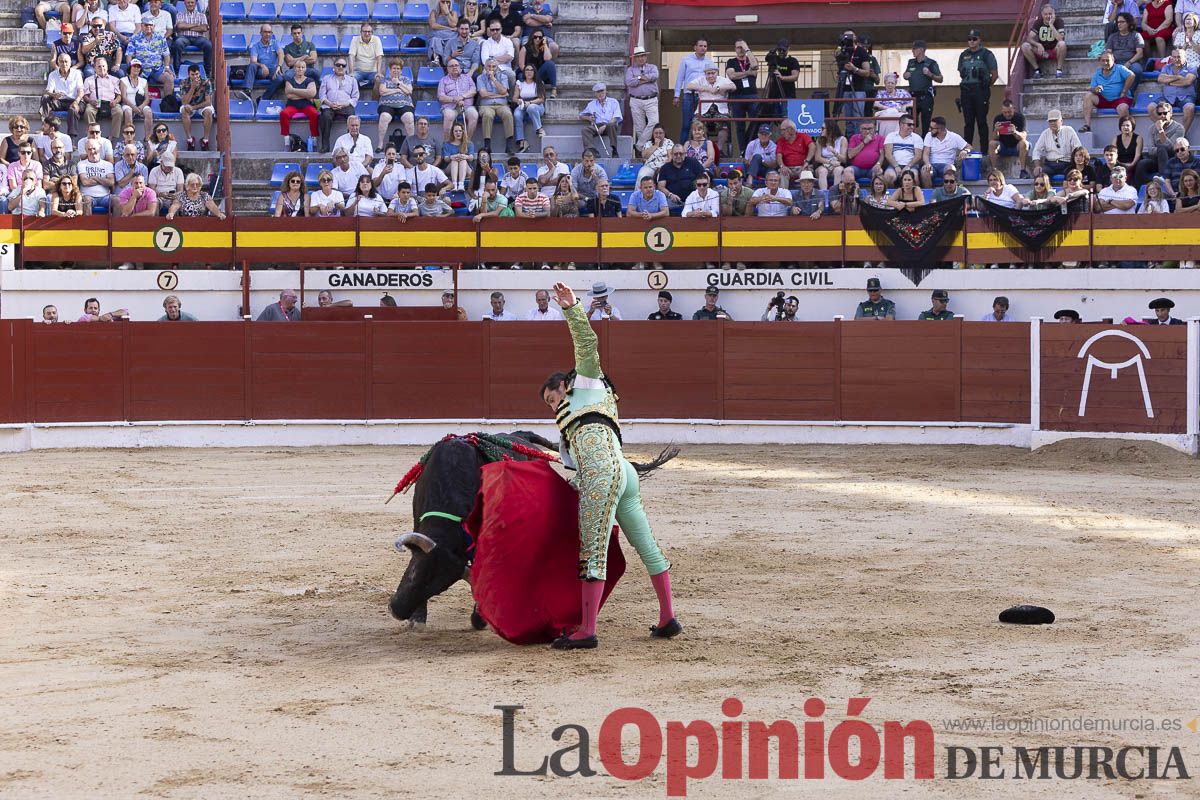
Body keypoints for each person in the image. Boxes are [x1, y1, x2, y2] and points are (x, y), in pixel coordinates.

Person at [540, 280, 680, 650]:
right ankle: (668, 618)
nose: (553, 407)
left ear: (566, 385)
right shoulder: (577, 414)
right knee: (646, 545)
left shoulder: (586, 382)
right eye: (549, 405)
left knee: (592, 549)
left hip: (605, 474)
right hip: (624, 473)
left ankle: (587, 629)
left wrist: (571, 309)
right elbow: (573, 467)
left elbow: (587, 343)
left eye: (553, 398)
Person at [956, 30, 998, 148]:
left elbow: (994, 74)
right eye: (969, 39)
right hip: (966, 90)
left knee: (981, 122)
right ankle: (967, 150)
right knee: (968, 123)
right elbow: (961, 72)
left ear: (979, 40)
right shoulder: (963, 55)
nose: (971, 41)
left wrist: (986, 86)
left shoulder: (986, 54)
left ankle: (984, 151)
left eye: (974, 39)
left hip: (981, 90)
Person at [1081, 50, 1134, 133]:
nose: (1105, 62)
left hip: (1120, 99)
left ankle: (1125, 132)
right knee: (1088, 95)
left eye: (1107, 60)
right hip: (1104, 100)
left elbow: (1131, 75)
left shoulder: (1120, 68)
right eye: (1103, 60)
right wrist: (1095, 90)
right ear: (1100, 62)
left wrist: (1124, 91)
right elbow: (1092, 88)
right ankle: (1087, 125)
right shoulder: (1097, 73)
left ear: (1113, 60)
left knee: (1123, 108)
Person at [124, 17, 174, 100]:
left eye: (151, 25)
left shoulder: (160, 38)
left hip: (157, 69)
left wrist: (167, 67)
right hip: (140, 69)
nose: (148, 27)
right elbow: (129, 54)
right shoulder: (135, 38)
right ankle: (136, 104)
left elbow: (166, 54)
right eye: (146, 25)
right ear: (142, 26)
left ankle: (167, 103)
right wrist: (130, 69)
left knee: (169, 78)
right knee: (132, 80)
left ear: (154, 26)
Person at [319, 59, 360, 153]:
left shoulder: (352, 80)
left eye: (343, 65)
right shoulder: (326, 78)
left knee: (352, 116)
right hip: (329, 105)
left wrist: (343, 104)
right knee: (325, 116)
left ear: (346, 68)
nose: (340, 67)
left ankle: (349, 145)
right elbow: (322, 95)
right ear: (334, 67)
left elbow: (355, 97)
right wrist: (330, 103)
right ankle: (325, 147)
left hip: (345, 105)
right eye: (338, 65)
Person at [673, 38, 709, 141]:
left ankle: (701, 149)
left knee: (701, 124)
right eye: (701, 46)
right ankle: (682, 150)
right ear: (695, 47)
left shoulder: (709, 62)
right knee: (686, 124)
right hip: (688, 95)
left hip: (703, 96)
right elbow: (680, 78)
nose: (703, 48)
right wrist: (676, 96)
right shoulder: (686, 60)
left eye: (705, 46)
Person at [903, 39, 942, 135]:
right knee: (911, 123)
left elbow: (940, 79)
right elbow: (906, 74)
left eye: (914, 49)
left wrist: (930, 74)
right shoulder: (911, 62)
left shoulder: (931, 63)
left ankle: (925, 147)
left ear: (921, 50)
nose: (912, 51)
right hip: (913, 97)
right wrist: (905, 75)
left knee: (926, 123)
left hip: (926, 97)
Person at [724, 40, 758, 151]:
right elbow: (732, 75)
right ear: (735, 49)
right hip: (736, 97)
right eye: (738, 47)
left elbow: (755, 66)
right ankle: (742, 150)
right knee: (739, 126)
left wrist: (747, 49)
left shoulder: (750, 59)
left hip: (752, 96)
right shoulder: (731, 61)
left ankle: (752, 148)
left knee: (755, 123)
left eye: (742, 47)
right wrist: (748, 73)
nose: (741, 49)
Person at [477, 59, 515, 154]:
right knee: (488, 115)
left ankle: (509, 146)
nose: (491, 69)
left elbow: (503, 91)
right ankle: (487, 145)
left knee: (508, 114)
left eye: (493, 66)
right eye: (489, 66)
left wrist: (493, 79)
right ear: (485, 67)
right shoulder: (480, 78)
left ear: (497, 67)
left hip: (501, 104)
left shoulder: (503, 77)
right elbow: (483, 94)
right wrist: (499, 95)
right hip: (486, 105)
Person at [377, 60, 416, 152]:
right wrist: (398, 90)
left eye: (398, 68)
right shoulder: (384, 79)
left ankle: (412, 144)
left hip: (404, 105)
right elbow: (382, 92)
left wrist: (398, 83)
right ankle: (380, 144)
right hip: (386, 105)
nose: (396, 70)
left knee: (409, 117)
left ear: (401, 70)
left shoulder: (406, 79)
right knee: (384, 117)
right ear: (390, 69)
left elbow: (409, 91)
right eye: (394, 68)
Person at [920, 116, 969, 188]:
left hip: (947, 165)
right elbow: (926, 153)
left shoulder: (954, 137)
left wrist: (965, 151)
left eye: (932, 128)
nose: (929, 129)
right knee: (925, 171)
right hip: (932, 166)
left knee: (950, 169)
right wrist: (927, 163)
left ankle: (949, 194)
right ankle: (930, 194)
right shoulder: (929, 135)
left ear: (940, 129)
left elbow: (969, 147)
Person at [42, 53, 84, 136]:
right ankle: (45, 127)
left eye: (66, 62)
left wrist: (76, 101)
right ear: (58, 63)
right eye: (61, 61)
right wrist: (53, 94)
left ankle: (72, 138)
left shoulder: (77, 73)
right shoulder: (53, 74)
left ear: (70, 63)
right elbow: (48, 91)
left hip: (74, 100)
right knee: (45, 98)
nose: (64, 64)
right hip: (59, 101)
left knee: (73, 109)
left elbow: (81, 91)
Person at [1155, 49, 1197, 134]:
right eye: (1174, 57)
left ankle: (1181, 135)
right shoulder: (1166, 67)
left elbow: (1187, 81)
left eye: (1179, 57)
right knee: (1151, 107)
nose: (1176, 59)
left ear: (1185, 57)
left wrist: (1169, 82)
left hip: (1185, 96)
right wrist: (1178, 77)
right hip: (1167, 97)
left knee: (1189, 108)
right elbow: (1160, 79)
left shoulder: (1191, 67)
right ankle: (1165, 132)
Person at [437, 58, 478, 142]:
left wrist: (462, 96)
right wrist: (454, 99)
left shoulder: (467, 78)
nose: (454, 67)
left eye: (456, 65)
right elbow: (441, 97)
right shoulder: (443, 80)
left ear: (460, 67)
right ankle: (447, 143)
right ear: (448, 69)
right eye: (451, 66)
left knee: (474, 115)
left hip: (466, 106)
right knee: (448, 116)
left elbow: (473, 90)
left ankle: (467, 141)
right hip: (450, 107)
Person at [1031, 109, 1082, 178]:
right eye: (1050, 121)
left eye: (1055, 120)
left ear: (1061, 121)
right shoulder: (1045, 133)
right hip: (1050, 164)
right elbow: (1037, 150)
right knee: (1039, 174)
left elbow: (1077, 147)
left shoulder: (1069, 130)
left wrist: (1075, 162)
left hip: (1067, 163)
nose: (1052, 123)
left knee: (1073, 174)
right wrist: (1037, 166)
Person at [81, 57, 121, 141]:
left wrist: (115, 101)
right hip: (95, 103)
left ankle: (111, 137)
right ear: (95, 68)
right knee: (88, 111)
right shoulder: (88, 80)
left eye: (103, 66)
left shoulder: (115, 80)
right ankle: (92, 135)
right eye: (99, 66)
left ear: (107, 67)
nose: (102, 68)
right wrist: (90, 101)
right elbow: (85, 96)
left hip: (110, 103)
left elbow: (119, 96)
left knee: (119, 111)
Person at [625, 46, 659, 147]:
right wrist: (642, 78)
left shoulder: (652, 67)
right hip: (636, 100)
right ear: (635, 58)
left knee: (654, 122)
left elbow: (654, 76)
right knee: (640, 127)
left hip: (651, 99)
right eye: (638, 56)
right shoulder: (630, 70)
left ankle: (639, 146)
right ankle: (645, 151)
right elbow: (629, 82)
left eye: (643, 56)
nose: (641, 58)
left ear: (646, 57)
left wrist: (638, 79)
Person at [1022, 3, 1067, 79]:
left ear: (1053, 14)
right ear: (1042, 15)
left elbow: (1060, 39)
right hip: (1042, 52)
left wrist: (1051, 25)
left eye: (1050, 14)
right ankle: (1037, 70)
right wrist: (1038, 45)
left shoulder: (1059, 21)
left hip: (1055, 50)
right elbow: (1029, 38)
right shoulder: (1038, 22)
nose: (1048, 16)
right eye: (1045, 14)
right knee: (1025, 46)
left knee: (1062, 44)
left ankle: (1059, 71)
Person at [280, 62, 319, 147]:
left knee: (314, 114)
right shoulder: (289, 81)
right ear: (294, 68)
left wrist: (293, 90)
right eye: (298, 67)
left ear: (305, 69)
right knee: (284, 114)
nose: (300, 69)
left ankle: (314, 138)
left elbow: (312, 93)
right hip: (292, 104)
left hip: (307, 104)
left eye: (302, 67)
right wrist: (305, 94)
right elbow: (288, 95)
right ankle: (286, 139)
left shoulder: (310, 80)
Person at [242, 24, 284, 101]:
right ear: (261, 33)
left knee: (280, 79)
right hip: (260, 71)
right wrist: (262, 65)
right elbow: (253, 61)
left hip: (272, 70)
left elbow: (281, 53)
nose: (267, 34)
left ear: (271, 33)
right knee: (252, 66)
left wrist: (279, 66)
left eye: (269, 32)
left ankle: (263, 98)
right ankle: (247, 91)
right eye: (265, 32)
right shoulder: (255, 46)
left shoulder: (275, 43)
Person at [990, 99, 1030, 178]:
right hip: (1003, 146)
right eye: (1005, 112)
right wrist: (996, 130)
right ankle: (994, 170)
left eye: (1009, 112)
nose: (1007, 114)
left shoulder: (1020, 118)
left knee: (1024, 143)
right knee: (991, 143)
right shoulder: (998, 118)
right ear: (1002, 111)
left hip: (1017, 147)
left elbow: (1024, 136)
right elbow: (994, 138)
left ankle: (1023, 170)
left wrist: (1015, 132)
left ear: (1013, 109)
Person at [178, 63, 214, 151]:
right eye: (192, 74)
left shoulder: (206, 82)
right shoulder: (183, 82)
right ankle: (190, 140)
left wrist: (194, 108)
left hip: (201, 105)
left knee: (209, 112)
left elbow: (208, 102)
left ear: (199, 74)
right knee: (184, 111)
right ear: (188, 74)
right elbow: (184, 102)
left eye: (197, 74)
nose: (195, 76)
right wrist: (192, 88)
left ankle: (205, 140)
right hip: (189, 104)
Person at [656, 144, 705, 208]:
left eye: (681, 154)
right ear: (671, 154)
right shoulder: (665, 168)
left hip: (693, 199)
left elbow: (705, 177)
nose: (678, 156)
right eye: (676, 154)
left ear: (685, 153)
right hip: (673, 201)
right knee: (663, 205)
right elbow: (660, 187)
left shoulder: (693, 162)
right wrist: (670, 195)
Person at [171, 0, 212, 77]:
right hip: (184, 37)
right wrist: (196, 25)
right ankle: (176, 71)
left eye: (192, 2)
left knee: (208, 45)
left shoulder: (201, 15)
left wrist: (187, 27)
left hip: (198, 38)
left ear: (195, 3)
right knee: (177, 43)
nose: (190, 4)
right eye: (188, 2)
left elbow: (204, 28)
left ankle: (207, 71)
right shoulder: (179, 14)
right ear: (185, 3)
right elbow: (180, 26)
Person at [579, 82, 622, 156]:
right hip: (597, 126)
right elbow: (581, 116)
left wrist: (605, 126)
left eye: (602, 91)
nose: (600, 94)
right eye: (598, 92)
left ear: (605, 91)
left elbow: (616, 118)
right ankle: (592, 151)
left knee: (611, 125)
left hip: (609, 125)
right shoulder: (591, 104)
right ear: (595, 93)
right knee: (585, 130)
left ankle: (614, 150)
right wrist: (589, 118)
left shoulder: (613, 102)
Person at [1106, 12, 1145, 91]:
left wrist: (1129, 63)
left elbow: (1140, 54)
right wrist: (1114, 64)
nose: (1119, 24)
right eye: (1118, 22)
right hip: (1116, 62)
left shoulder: (1136, 35)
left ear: (1128, 23)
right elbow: (1108, 53)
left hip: (1132, 62)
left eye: (1122, 22)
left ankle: (1129, 93)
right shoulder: (1112, 36)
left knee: (1137, 69)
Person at [880, 115, 923, 187]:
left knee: (914, 177)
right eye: (909, 124)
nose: (912, 127)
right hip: (894, 165)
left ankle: (914, 197)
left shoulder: (917, 137)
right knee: (888, 176)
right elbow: (888, 154)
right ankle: (892, 197)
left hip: (911, 166)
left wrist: (908, 166)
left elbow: (918, 156)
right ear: (901, 125)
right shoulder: (891, 136)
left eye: (913, 125)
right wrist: (896, 166)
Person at [512, 62, 546, 152]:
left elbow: (541, 99)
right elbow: (514, 98)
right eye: (527, 70)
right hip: (523, 104)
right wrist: (519, 101)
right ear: (524, 72)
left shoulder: (538, 83)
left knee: (531, 107)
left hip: (537, 105)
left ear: (534, 72)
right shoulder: (520, 83)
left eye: (531, 70)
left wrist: (530, 102)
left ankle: (539, 129)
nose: (529, 72)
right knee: (516, 114)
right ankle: (522, 140)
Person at [763, 38, 800, 118]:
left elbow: (795, 77)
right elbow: (767, 58)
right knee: (771, 117)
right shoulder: (774, 59)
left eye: (784, 50)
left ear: (788, 49)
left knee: (786, 117)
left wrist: (782, 77)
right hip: (773, 95)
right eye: (779, 50)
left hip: (787, 95)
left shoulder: (792, 61)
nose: (781, 52)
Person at [76, 139, 114, 214]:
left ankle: (117, 225)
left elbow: (111, 182)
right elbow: (85, 182)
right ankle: (89, 226)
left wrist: (95, 177)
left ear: (99, 148)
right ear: (86, 151)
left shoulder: (108, 164)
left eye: (94, 148)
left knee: (118, 201)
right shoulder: (81, 164)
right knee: (86, 201)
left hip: (105, 196)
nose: (92, 151)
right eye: (89, 149)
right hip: (88, 196)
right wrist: (103, 181)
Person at [775, 119, 815, 186]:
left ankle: (805, 195)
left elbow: (812, 147)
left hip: (802, 167)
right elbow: (778, 155)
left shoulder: (803, 136)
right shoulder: (781, 141)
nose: (781, 133)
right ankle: (783, 196)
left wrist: (807, 162)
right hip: (788, 168)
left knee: (805, 174)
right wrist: (782, 166)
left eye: (783, 130)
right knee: (783, 173)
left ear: (791, 129)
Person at [518, 27, 557, 95]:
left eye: (540, 37)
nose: (537, 39)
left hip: (539, 73)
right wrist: (530, 74)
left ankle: (554, 89)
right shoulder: (525, 48)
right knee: (521, 77)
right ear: (532, 37)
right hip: (527, 72)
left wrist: (545, 44)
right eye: (535, 37)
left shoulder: (544, 47)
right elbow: (521, 66)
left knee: (550, 64)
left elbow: (547, 59)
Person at [872, 72, 911, 139]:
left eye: (892, 83)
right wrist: (887, 108)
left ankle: (898, 138)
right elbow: (876, 103)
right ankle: (885, 138)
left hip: (899, 112)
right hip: (886, 112)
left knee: (902, 117)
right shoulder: (881, 93)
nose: (890, 85)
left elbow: (912, 102)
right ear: (885, 83)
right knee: (885, 116)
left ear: (895, 84)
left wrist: (905, 106)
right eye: (888, 83)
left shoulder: (902, 92)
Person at [348, 24, 383, 96]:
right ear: (361, 32)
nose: (367, 33)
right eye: (364, 31)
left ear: (372, 32)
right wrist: (351, 72)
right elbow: (351, 56)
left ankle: (375, 103)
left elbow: (379, 57)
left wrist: (378, 72)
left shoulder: (376, 39)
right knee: (351, 79)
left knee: (379, 79)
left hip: (372, 72)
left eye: (369, 31)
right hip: (358, 71)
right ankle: (353, 103)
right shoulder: (355, 40)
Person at [441, 121, 475, 192]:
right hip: (450, 169)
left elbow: (472, 157)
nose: (458, 133)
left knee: (462, 160)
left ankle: (461, 185)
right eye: (456, 131)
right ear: (452, 133)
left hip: (467, 170)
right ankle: (454, 185)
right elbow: (445, 159)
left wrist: (465, 156)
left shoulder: (469, 144)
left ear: (463, 132)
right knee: (454, 160)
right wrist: (452, 157)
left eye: (460, 131)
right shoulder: (447, 144)